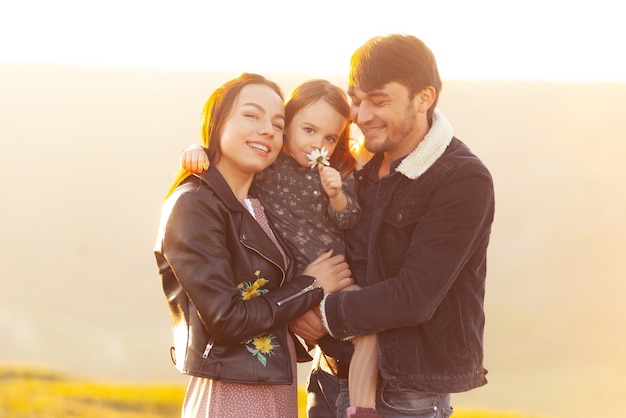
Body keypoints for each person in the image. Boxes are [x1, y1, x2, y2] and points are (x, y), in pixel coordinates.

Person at [290, 34, 495, 418]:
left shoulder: (462, 178)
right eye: (356, 99)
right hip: (328, 376)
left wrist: (322, 314)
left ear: (424, 98)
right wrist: (203, 159)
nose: (362, 115)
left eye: (379, 101)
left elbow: (414, 296)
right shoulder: (350, 165)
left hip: (403, 396)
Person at [153, 73, 353, 418]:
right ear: (217, 121)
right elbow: (226, 319)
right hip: (230, 397)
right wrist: (312, 285)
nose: (267, 130)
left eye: (278, 124)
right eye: (251, 115)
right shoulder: (195, 204)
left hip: (273, 390)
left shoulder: (257, 203)